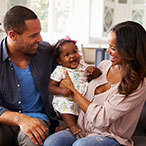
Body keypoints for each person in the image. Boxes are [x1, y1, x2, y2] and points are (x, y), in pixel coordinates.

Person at [43, 21, 146, 146]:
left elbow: (102, 119)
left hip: (110, 137)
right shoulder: (104, 65)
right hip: (83, 130)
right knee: (51, 143)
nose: (108, 51)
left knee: (81, 145)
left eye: (113, 48)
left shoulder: (138, 85)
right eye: (108, 46)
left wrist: (72, 90)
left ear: (129, 50)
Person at [0, 6, 58, 146]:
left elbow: (72, 68)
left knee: (32, 140)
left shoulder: (46, 52)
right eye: (33, 35)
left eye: (39, 33)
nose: (40, 39)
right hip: (4, 120)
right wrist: (19, 118)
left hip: (37, 120)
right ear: (13, 35)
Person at [48, 36, 102, 135]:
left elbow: (98, 75)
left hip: (82, 98)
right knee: (65, 104)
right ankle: (72, 126)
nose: (72, 56)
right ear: (60, 61)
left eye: (74, 52)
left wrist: (94, 70)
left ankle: (66, 125)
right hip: (67, 98)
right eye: (67, 55)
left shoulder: (82, 65)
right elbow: (51, 87)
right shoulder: (60, 70)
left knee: (87, 107)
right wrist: (61, 90)